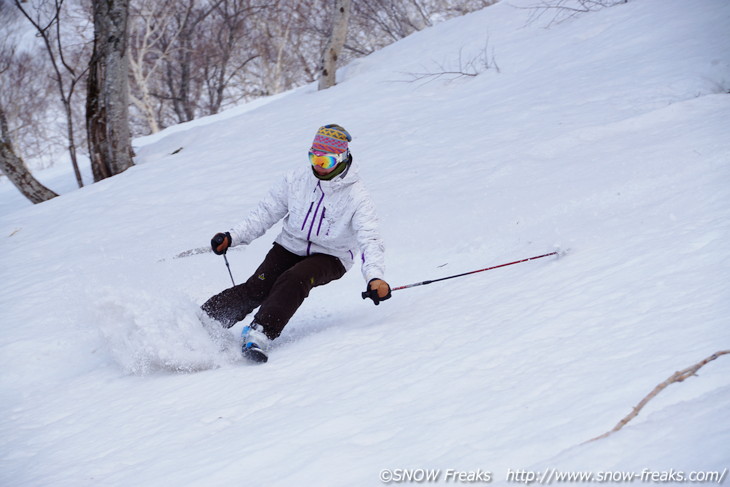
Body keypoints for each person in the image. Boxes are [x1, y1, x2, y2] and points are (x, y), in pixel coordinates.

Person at [201, 124, 391, 363]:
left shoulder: (357, 197)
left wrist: (375, 277)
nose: (317, 167)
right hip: (289, 245)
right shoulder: (296, 180)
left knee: (295, 278)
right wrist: (233, 236)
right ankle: (205, 321)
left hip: (331, 255)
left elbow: (370, 239)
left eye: (326, 162)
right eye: (314, 158)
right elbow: (265, 213)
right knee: (257, 287)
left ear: (341, 160)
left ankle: (261, 332)